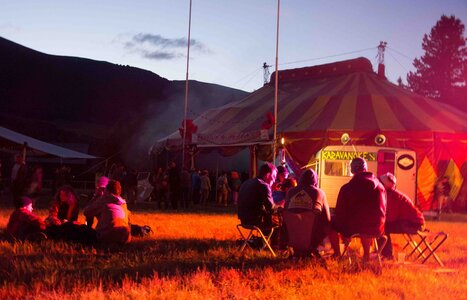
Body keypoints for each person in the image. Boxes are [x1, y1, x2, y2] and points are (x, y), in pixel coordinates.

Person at [330, 157, 386, 261]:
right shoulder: (380, 186)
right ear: (366, 169)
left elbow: (340, 211)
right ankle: (366, 255)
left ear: (352, 170)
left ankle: (337, 254)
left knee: (330, 222)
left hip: (353, 228)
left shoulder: (347, 188)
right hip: (377, 228)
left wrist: (343, 231)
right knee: (366, 224)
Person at [378, 173, 425, 259]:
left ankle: (386, 254)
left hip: (414, 224)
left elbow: (391, 218)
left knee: (382, 227)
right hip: (410, 221)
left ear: (385, 186)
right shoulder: (390, 194)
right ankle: (382, 251)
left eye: (380, 182)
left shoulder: (393, 197)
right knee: (382, 226)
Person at [284, 169, 331, 254]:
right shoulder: (319, 192)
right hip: (311, 236)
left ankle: (293, 248)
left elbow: (285, 211)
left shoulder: (291, 192)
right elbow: (328, 219)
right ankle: (315, 247)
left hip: (292, 233)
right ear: (315, 181)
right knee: (328, 223)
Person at [83, 180, 131, 244]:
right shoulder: (123, 203)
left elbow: (86, 212)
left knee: (79, 229)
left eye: (104, 189)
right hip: (125, 238)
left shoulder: (105, 200)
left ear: (107, 190)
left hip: (106, 237)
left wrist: (96, 196)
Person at [237, 162, 279, 231]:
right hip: (256, 221)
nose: (274, 180)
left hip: (243, 220)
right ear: (268, 175)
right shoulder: (264, 186)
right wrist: (281, 206)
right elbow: (271, 209)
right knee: (281, 220)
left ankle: (263, 240)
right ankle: (277, 242)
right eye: (274, 176)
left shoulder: (246, 182)